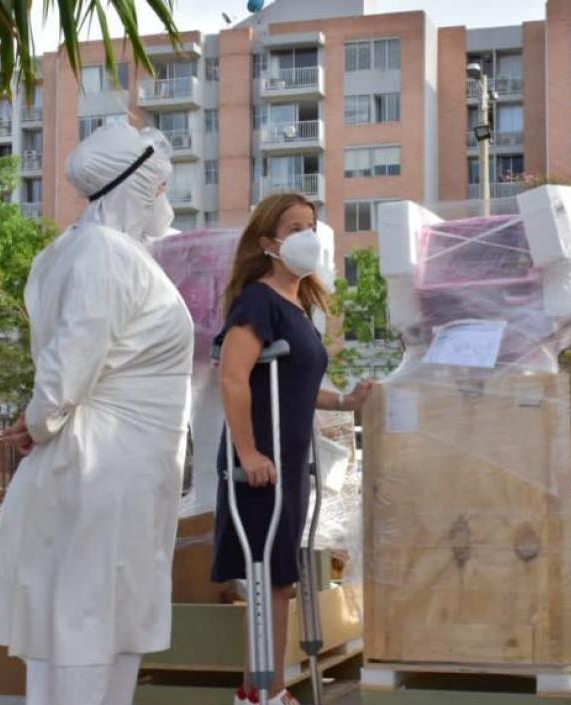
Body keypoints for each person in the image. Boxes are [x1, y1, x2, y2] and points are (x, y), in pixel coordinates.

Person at [0, 123, 194, 705]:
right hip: (107, 465)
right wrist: (42, 418)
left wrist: (43, 417)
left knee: (104, 617)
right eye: (160, 188)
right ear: (136, 187)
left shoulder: (90, 250)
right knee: (88, 617)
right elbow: (74, 353)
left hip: (119, 466)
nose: (164, 202)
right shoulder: (103, 251)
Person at [213, 193, 374, 705]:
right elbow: (234, 378)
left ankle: (259, 690)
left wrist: (344, 401)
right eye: (294, 226)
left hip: (287, 460)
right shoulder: (257, 302)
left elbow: (296, 384)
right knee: (269, 577)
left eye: (312, 225)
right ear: (268, 243)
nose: (307, 234)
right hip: (259, 466)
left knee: (279, 576)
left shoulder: (298, 305)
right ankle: (263, 692)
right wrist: (248, 453)